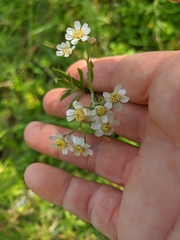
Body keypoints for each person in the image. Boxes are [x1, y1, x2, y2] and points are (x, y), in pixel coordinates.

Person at [24, 2, 180, 240]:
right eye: (77, 35)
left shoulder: (105, 104)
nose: (78, 36)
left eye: (80, 35)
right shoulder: (95, 110)